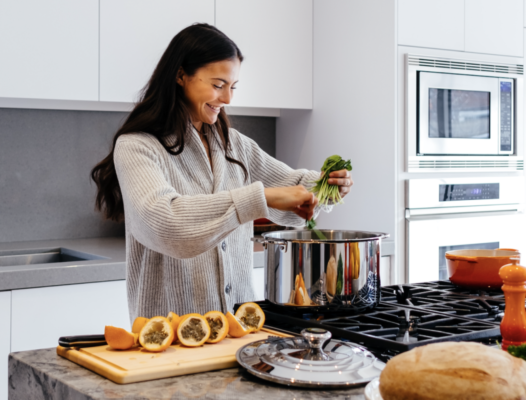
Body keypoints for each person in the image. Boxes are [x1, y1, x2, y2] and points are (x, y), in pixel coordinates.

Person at [91, 23, 353, 321]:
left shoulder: (234, 144)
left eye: (233, 87)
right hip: (170, 335)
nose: (228, 99)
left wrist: (326, 187)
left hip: (241, 328)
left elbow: (292, 186)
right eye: (218, 85)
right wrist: (259, 198)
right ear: (180, 76)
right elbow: (165, 223)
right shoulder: (138, 146)